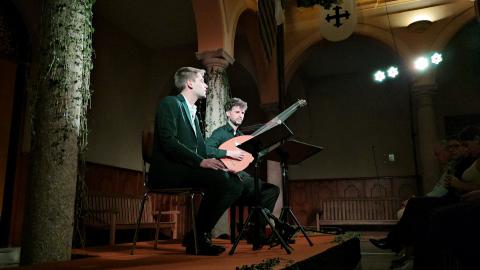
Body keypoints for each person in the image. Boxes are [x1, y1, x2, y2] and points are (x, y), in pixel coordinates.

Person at [148, 67, 244, 256]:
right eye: (202, 80)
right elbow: (169, 142)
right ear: (190, 83)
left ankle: (197, 235)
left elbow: (202, 151)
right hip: (168, 171)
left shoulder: (194, 113)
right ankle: (198, 238)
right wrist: (201, 163)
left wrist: (224, 165)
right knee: (221, 180)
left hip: (186, 168)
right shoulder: (170, 103)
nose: (207, 85)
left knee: (234, 183)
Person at [369, 126, 480, 266]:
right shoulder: (460, 162)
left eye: (461, 145)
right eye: (451, 147)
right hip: (457, 198)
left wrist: (460, 185)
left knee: (425, 213)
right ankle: (399, 247)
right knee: (417, 207)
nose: (454, 150)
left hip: (460, 201)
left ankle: (397, 245)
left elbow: (456, 188)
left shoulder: (467, 161)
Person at [205, 97, 281, 250]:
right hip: (228, 178)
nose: (240, 115)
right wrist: (228, 153)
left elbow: (254, 155)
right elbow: (206, 149)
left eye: (243, 113)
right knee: (248, 185)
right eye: (237, 112)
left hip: (243, 177)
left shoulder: (242, 136)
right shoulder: (220, 133)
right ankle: (204, 232)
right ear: (228, 113)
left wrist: (269, 144)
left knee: (271, 190)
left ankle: (255, 231)